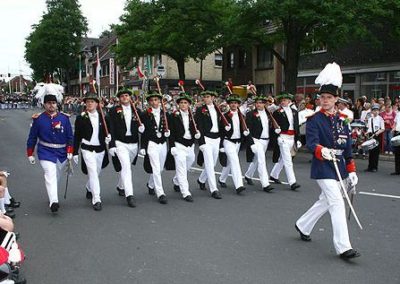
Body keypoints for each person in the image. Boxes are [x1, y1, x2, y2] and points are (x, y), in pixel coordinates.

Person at [295, 62, 360, 259]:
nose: (325, 100)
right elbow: (312, 143)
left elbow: (347, 147)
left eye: (329, 97)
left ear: (336, 99)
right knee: (336, 202)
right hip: (323, 166)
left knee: (325, 201)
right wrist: (322, 151)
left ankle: (303, 224)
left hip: (339, 166)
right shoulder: (314, 119)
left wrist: (352, 170)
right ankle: (343, 247)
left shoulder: (343, 119)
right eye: (322, 97)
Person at [26, 86, 73, 213]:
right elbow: (32, 137)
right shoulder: (38, 119)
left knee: (56, 176)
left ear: (57, 104)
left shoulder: (64, 118)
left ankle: (52, 195)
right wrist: (30, 153)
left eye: (53, 103)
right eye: (48, 103)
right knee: (50, 174)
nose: (51, 105)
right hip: (45, 152)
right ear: (44, 104)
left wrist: (70, 151)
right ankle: (54, 202)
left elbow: (70, 136)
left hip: (62, 152)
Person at [73, 93, 110, 211]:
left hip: (100, 149)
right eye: (88, 102)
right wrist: (74, 152)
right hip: (87, 149)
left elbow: (108, 131)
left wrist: (108, 138)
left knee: (97, 172)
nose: (89, 103)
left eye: (92, 102)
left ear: (97, 104)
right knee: (93, 172)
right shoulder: (81, 117)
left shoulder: (104, 117)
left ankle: (89, 187)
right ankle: (96, 199)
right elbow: (77, 136)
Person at [108, 89, 145, 208]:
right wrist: (112, 144)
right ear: (119, 98)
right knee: (126, 167)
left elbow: (143, 126)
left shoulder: (137, 111)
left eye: (127, 95)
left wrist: (142, 128)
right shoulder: (114, 111)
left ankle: (120, 186)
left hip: (133, 143)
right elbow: (111, 129)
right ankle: (130, 195)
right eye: (122, 96)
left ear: (130, 97)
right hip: (120, 143)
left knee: (126, 167)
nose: (125, 97)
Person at [195, 91, 228, 199]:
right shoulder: (200, 110)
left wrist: (225, 127)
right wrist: (201, 142)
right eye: (204, 97)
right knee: (209, 163)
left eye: (208, 97)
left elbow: (221, 122)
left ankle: (201, 180)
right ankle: (214, 189)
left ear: (213, 97)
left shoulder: (218, 109)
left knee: (212, 163)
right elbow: (199, 126)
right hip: (207, 138)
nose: (206, 99)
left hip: (216, 138)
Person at [169, 92, 201, 202]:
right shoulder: (174, 116)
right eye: (181, 103)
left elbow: (194, 128)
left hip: (190, 144)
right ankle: (185, 192)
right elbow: (171, 132)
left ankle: (176, 180)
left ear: (188, 105)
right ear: (178, 105)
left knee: (190, 162)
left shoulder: (192, 115)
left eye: (185, 103)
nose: (183, 105)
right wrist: (172, 146)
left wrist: (196, 134)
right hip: (179, 144)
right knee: (181, 168)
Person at [140, 91, 170, 204]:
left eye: (156, 100)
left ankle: (151, 184)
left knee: (160, 168)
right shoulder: (144, 114)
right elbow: (143, 132)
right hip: (151, 143)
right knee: (156, 168)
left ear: (160, 101)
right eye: (152, 100)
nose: (154, 102)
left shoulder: (165, 114)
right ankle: (160, 193)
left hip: (162, 143)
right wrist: (143, 146)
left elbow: (169, 127)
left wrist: (168, 133)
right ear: (149, 102)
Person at [270, 92, 301, 190]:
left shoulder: (294, 112)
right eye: (282, 100)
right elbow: (273, 126)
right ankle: (292, 182)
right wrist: (277, 134)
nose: (283, 102)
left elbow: (296, 126)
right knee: (288, 160)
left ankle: (274, 175)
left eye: (285, 100)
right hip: (283, 137)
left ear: (289, 101)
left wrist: (298, 138)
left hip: (292, 137)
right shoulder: (277, 112)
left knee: (283, 159)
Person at [218, 95, 249, 194]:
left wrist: (245, 133)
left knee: (230, 162)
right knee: (235, 161)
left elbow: (244, 128)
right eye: (231, 103)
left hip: (238, 142)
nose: (233, 104)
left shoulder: (242, 116)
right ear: (229, 104)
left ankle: (222, 179)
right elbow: (221, 132)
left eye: (235, 103)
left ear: (238, 104)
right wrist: (221, 145)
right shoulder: (225, 116)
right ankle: (239, 185)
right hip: (228, 141)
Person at [244, 95, 274, 192]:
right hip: (256, 139)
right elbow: (247, 129)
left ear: (265, 104)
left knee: (257, 159)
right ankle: (265, 184)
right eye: (257, 103)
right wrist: (251, 142)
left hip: (266, 140)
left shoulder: (269, 114)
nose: (258, 105)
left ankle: (248, 175)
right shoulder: (251, 114)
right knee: (261, 160)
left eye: (261, 103)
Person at [365, 104, 385, 172]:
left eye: (377, 110)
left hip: (377, 135)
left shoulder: (380, 119)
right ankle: (370, 167)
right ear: (372, 111)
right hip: (371, 135)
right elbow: (369, 128)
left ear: (379, 111)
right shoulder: (370, 119)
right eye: (374, 110)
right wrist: (367, 132)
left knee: (376, 152)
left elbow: (383, 128)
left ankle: (374, 167)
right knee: (371, 151)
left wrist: (377, 133)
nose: (376, 112)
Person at [391, 110, 400, 175]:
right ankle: (397, 170)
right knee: (397, 153)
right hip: (397, 133)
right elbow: (395, 123)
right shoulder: (398, 113)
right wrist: (393, 128)